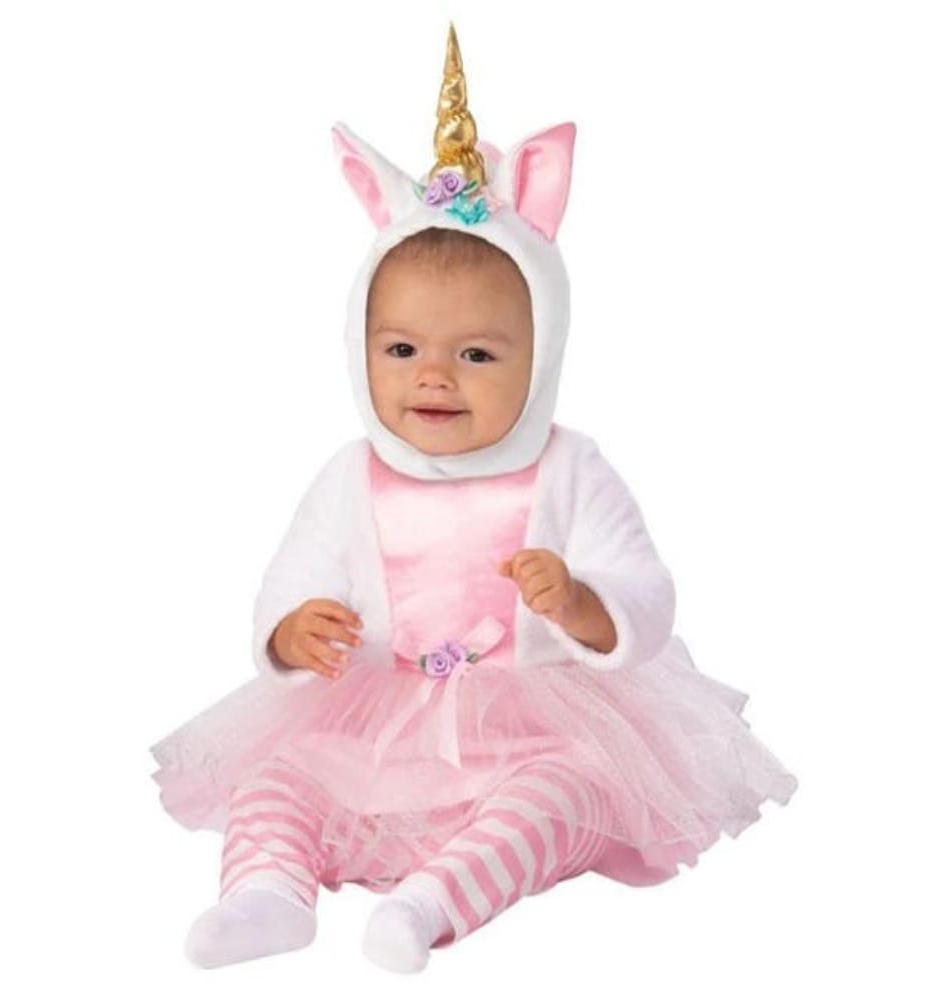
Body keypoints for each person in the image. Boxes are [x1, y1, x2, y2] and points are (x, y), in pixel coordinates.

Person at [149, 24, 798, 975]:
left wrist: (582, 602)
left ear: (542, 358)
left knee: (569, 793)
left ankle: (430, 903)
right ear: (360, 351)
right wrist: (291, 633)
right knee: (278, 776)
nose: (435, 376)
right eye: (401, 348)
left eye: (479, 353)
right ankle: (266, 895)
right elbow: (292, 576)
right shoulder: (350, 475)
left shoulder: (569, 468)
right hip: (376, 718)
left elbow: (644, 587)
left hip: (539, 719)